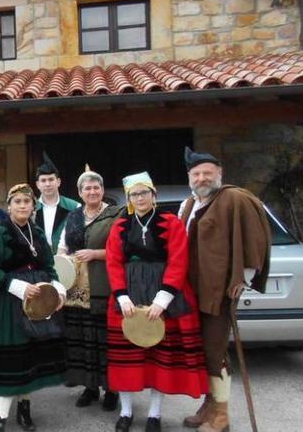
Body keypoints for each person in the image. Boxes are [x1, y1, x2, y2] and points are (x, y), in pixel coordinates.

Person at [105, 172, 208, 432]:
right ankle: (126, 412)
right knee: (126, 358)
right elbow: (113, 261)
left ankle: (154, 414)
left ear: (153, 195)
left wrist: (163, 300)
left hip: (163, 295)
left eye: (144, 193)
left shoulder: (170, 222)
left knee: (158, 358)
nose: (140, 198)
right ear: (129, 198)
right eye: (135, 194)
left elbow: (178, 260)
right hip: (128, 293)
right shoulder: (120, 225)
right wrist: (121, 295)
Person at [179, 148, 272, 432]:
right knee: (203, 351)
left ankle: (221, 415)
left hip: (219, 290)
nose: (202, 178)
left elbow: (255, 238)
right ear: (189, 177)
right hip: (192, 291)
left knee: (214, 348)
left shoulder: (235, 198)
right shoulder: (188, 204)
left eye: (208, 173)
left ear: (219, 174)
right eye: (196, 174)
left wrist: (242, 278)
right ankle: (209, 405)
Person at [0, 183, 67, 432]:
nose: (22, 206)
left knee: (30, 357)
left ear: (33, 206)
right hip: (9, 305)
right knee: (10, 362)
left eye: (27, 202)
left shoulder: (38, 233)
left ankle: (25, 410)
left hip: (40, 303)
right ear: (9, 206)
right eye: (17, 201)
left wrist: (57, 290)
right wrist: (20, 288)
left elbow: (50, 268)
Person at [56, 166, 121, 411]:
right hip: (76, 289)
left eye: (96, 187)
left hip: (104, 285)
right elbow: (63, 247)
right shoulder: (73, 216)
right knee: (83, 340)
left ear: (102, 190)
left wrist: (96, 253)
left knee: (105, 340)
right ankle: (90, 387)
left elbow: (124, 249)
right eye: (87, 188)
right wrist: (61, 262)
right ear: (80, 192)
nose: (92, 191)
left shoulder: (116, 214)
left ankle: (111, 389)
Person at [33, 151, 80, 254]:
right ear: (37, 184)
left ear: (58, 182)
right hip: (39, 265)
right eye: (43, 180)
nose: (48, 184)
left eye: (51, 179)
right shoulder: (31, 209)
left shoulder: (75, 207)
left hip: (66, 263)